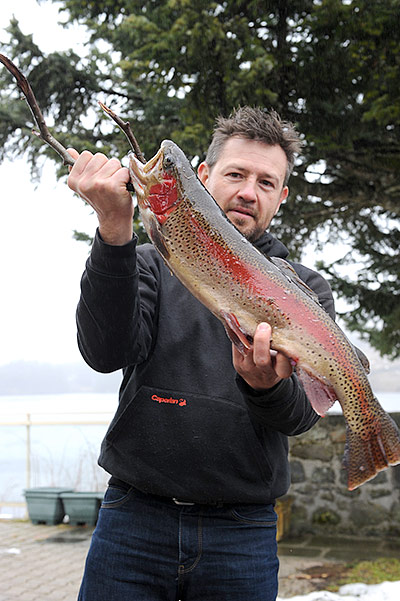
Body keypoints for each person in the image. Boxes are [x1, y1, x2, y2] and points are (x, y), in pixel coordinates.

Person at [67, 106, 335, 601]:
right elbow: (105, 352)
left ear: (282, 197)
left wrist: (268, 387)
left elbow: (300, 416)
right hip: (133, 519)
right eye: (236, 174)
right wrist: (113, 233)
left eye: (266, 182)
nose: (249, 192)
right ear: (205, 175)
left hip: (243, 533)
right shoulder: (146, 259)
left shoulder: (303, 291)